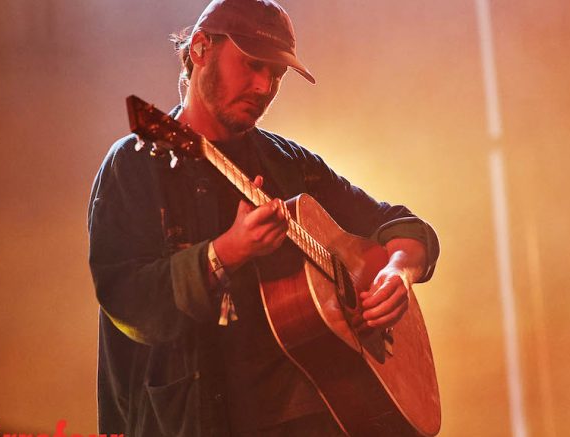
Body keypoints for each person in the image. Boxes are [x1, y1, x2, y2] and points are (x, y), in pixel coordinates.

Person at [87, 1, 440, 436]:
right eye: (252, 65)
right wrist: (227, 252)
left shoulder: (290, 164)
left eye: (276, 74)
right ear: (199, 48)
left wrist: (398, 272)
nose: (264, 86)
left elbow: (400, 224)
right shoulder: (139, 163)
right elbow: (127, 301)